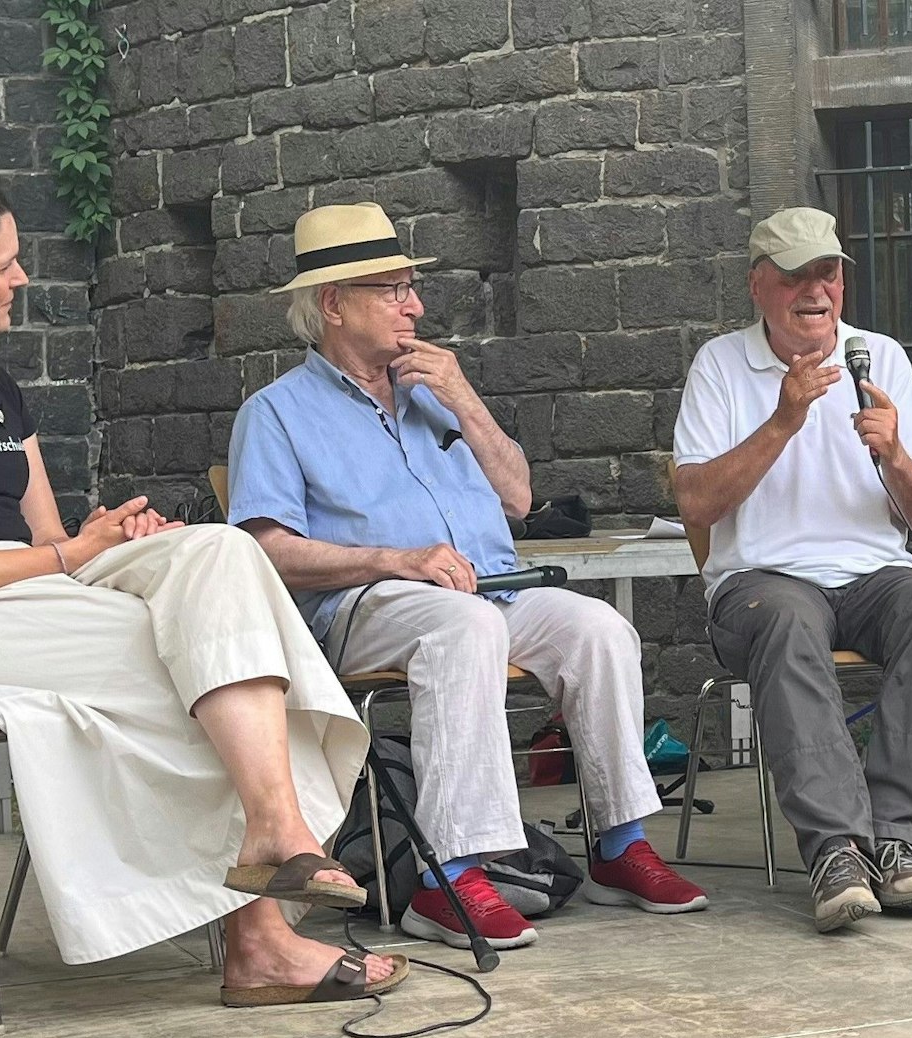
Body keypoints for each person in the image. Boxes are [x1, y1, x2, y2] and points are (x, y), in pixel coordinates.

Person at [0, 168, 406, 1008]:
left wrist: (111, 538)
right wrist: (64, 558)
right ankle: (260, 931)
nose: (21, 278)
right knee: (192, 674)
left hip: (34, 593)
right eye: (5, 264)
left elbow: (51, 536)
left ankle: (274, 833)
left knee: (218, 553)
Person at [229, 202, 707, 952]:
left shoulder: (434, 392)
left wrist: (466, 400)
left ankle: (620, 845)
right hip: (363, 606)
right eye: (394, 289)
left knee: (599, 627)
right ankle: (446, 877)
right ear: (334, 303)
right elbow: (265, 549)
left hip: (487, 590)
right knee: (468, 625)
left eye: (410, 286)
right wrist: (397, 558)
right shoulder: (275, 413)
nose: (415, 306)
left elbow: (518, 497)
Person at [671, 206, 912, 934]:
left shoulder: (880, 356)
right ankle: (837, 850)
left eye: (827, 273)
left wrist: (897, 452)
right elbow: (696, 503)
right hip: (760, 580)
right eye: (795, 275)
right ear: (758, 286)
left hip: (871, 575)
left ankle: (899, 843)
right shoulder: (721, 364)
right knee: (789, 618)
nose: (815, 290)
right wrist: (782, 422)